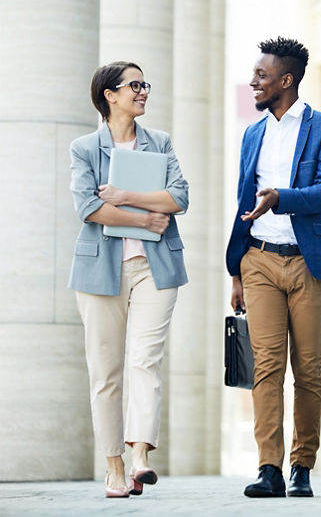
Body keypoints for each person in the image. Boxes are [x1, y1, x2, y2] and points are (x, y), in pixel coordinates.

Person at [226, 37, 321, 498]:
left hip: (309, 264)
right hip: (258, 260)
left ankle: (302, 466)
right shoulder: (252, 133)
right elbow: (243, 201)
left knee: (308, 368)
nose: (253, 81)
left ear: (286, 80)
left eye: (261, 75)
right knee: (266, 368)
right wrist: (235, 269)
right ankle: (269, 469)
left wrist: (282, 199)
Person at [68, 61, 188, 498]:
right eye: (134, 85)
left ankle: (140, 455)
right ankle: (114, 467)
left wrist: (123, 197)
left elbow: (179, 197)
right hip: (100, 269)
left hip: (156, 269)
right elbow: (88, 208)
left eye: (144, 84)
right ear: (110, 95)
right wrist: (148, 218)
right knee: (106, 372)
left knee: (145, 361)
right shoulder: (84, 148)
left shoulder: (160, 143)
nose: (143, 91)